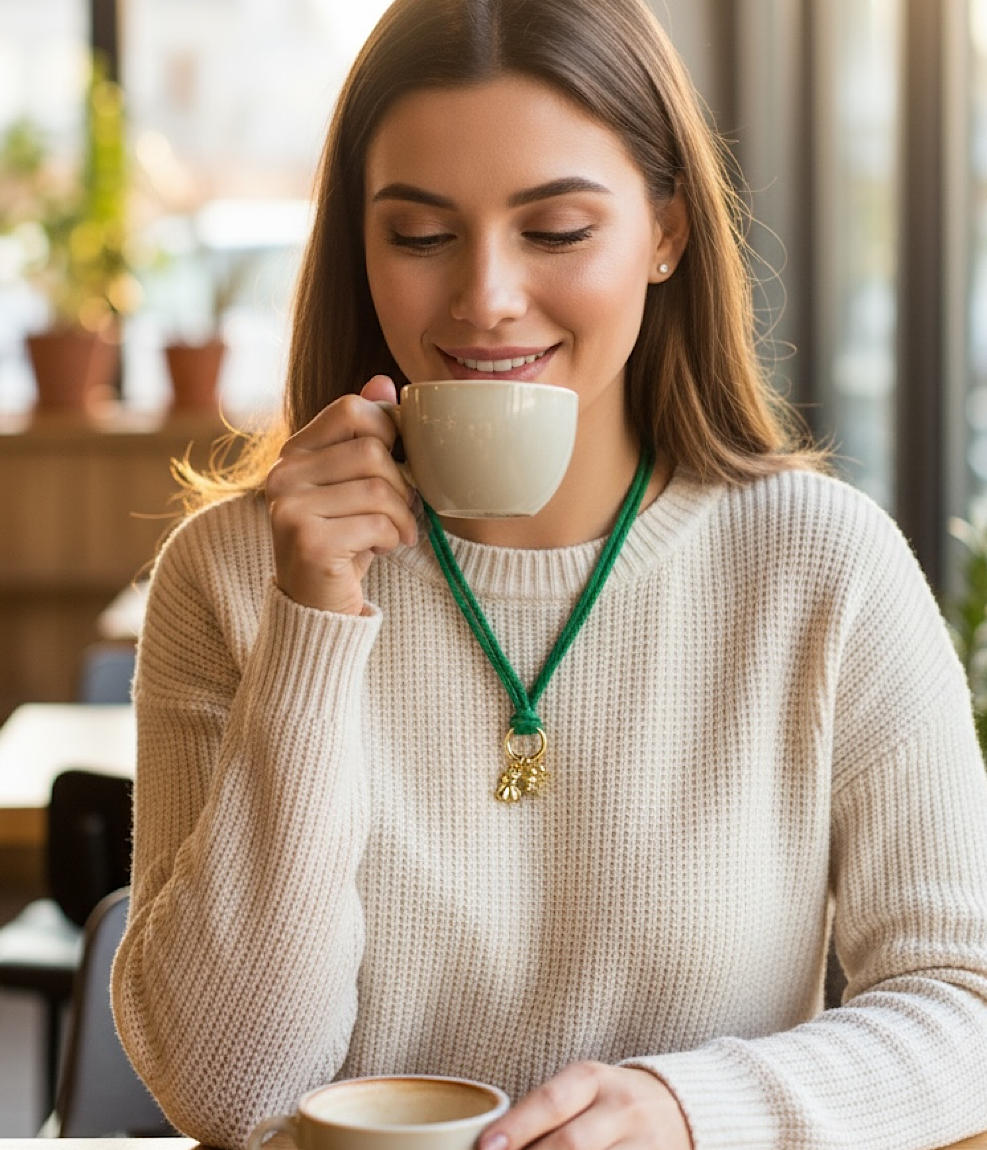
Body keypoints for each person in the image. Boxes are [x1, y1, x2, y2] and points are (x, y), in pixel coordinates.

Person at [111, 0, 987, 1147]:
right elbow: (230, 1092)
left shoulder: (822, 567)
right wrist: (312, 625)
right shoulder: (230, 578)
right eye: (420, 236)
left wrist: (691, 1109)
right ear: (357, 249)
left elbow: (964, 1009)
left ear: (665, 231)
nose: (484, 296)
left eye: (557, 230)